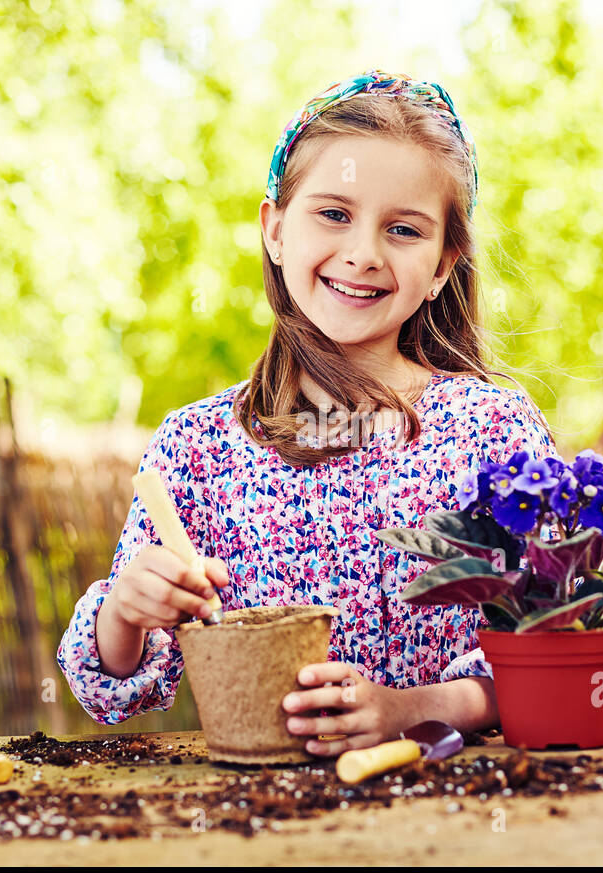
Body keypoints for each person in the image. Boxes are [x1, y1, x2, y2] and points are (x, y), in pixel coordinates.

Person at [58, 69, 557, 756]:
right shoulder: (198, 446)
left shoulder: (491, 432)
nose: (361, 254)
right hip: (260, 820)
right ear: (275, 230)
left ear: (444, 263)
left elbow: (550, 651)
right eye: (333, 214)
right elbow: (111, 688)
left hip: (455, 809)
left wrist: (407, 710)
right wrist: (125, 612)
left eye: (404, 230)